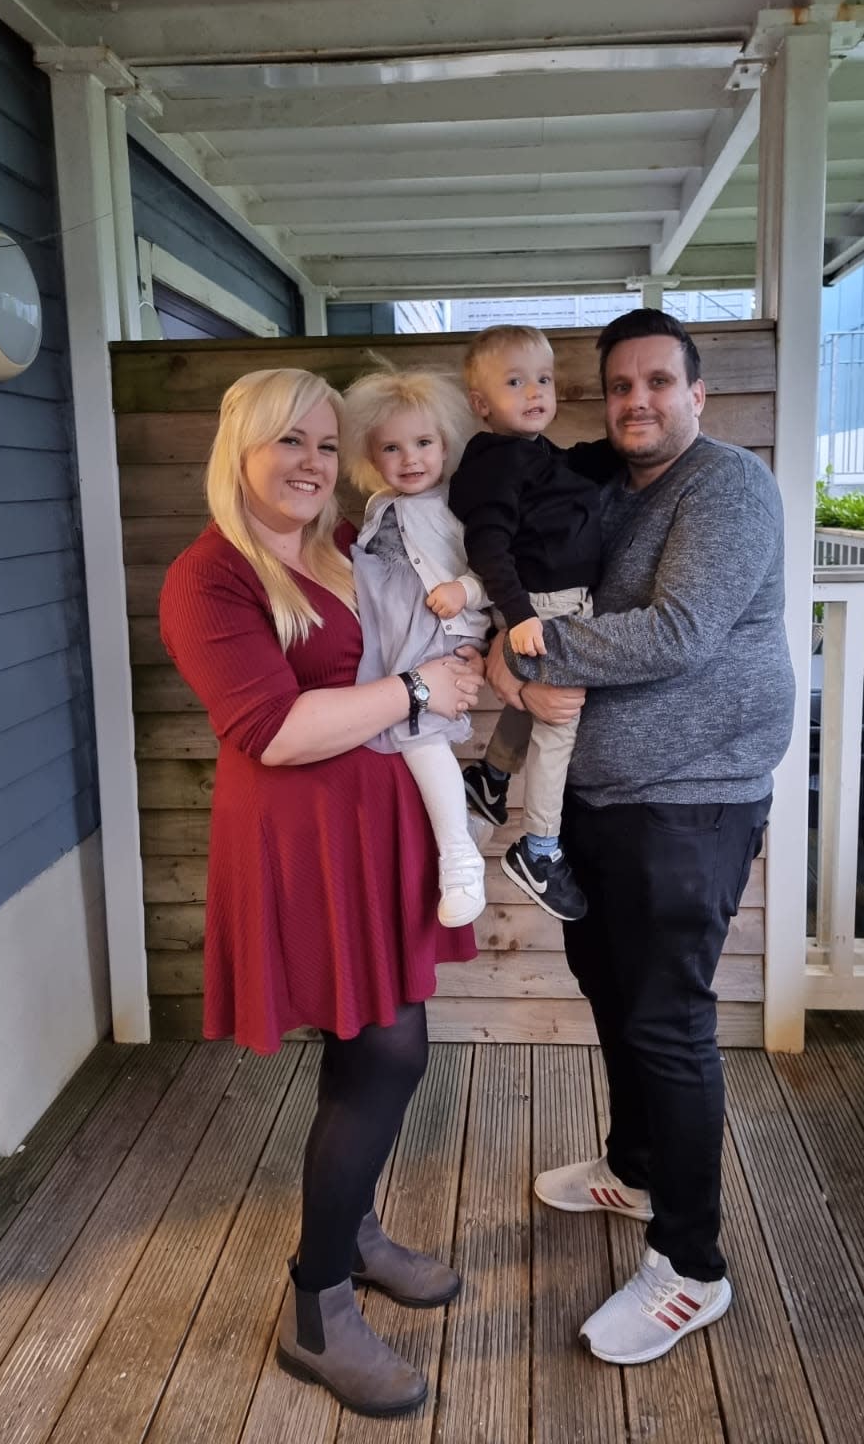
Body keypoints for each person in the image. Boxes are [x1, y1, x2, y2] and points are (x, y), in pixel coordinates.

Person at [158, 368, 483, 1418]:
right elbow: (274, 729)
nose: (307, 461)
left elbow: (426, 629)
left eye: (319, 441)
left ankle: (354, 1230)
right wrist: (421, 690)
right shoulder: (211, 580)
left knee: (375, 1045)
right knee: (388, 1050)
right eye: (284, 442)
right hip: (300, 843)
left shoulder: (349, 546)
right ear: (239, 451)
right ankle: (317, 1303)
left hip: (376, 830)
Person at [484, 309, 795, 1366]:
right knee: (615, 996)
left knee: (669, 1022)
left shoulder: (729, 488)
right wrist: (507, 652)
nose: (638, 401)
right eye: (620, 385)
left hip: (692, 798)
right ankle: (637, 1168)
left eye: (659, 382)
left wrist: (522, 651)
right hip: (599, 805)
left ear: (696, 395)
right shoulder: (609, 490)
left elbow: (677, 632)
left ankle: (692, 1265)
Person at [449, 325, 603, 923]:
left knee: (529, 708)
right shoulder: (496, 464)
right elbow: (488, 546)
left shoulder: (533, 454)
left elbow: (567, 468)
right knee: (558, 726)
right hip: (543, 608)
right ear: (482, 405)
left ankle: (490, 778)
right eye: (515, 382)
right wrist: (518, 618)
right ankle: (539, 849)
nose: (535, 391)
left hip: (557, 606)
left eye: (543, 379)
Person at [343, 366, 491, 927]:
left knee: (421, 740)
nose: (411, 459)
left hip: (438, 635)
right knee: (394, 742)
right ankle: (457, 829)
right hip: (393, 643)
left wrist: (467, 590)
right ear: (371, 456)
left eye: (424, 443)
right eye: (392, 448)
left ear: (446, 443)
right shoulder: (379, 506)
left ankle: (460, 862)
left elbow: (498, 570)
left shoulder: (459, 503)